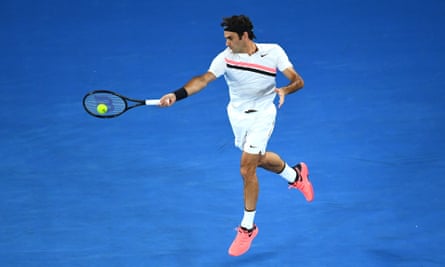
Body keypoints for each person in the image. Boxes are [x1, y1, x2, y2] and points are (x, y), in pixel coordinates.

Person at [159, 14, 314, 257]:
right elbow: (203, 80)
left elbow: (298, 80)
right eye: (225, 39)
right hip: (238, 117)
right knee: (258, 159)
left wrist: (285, 89)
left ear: (244, 36)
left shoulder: (273, 52)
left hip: (263, 114)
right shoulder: (226, 59)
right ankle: (296, 175)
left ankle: (247, 227)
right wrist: (175, 95)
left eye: (230, 38)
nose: (226, 43)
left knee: (246, 168)